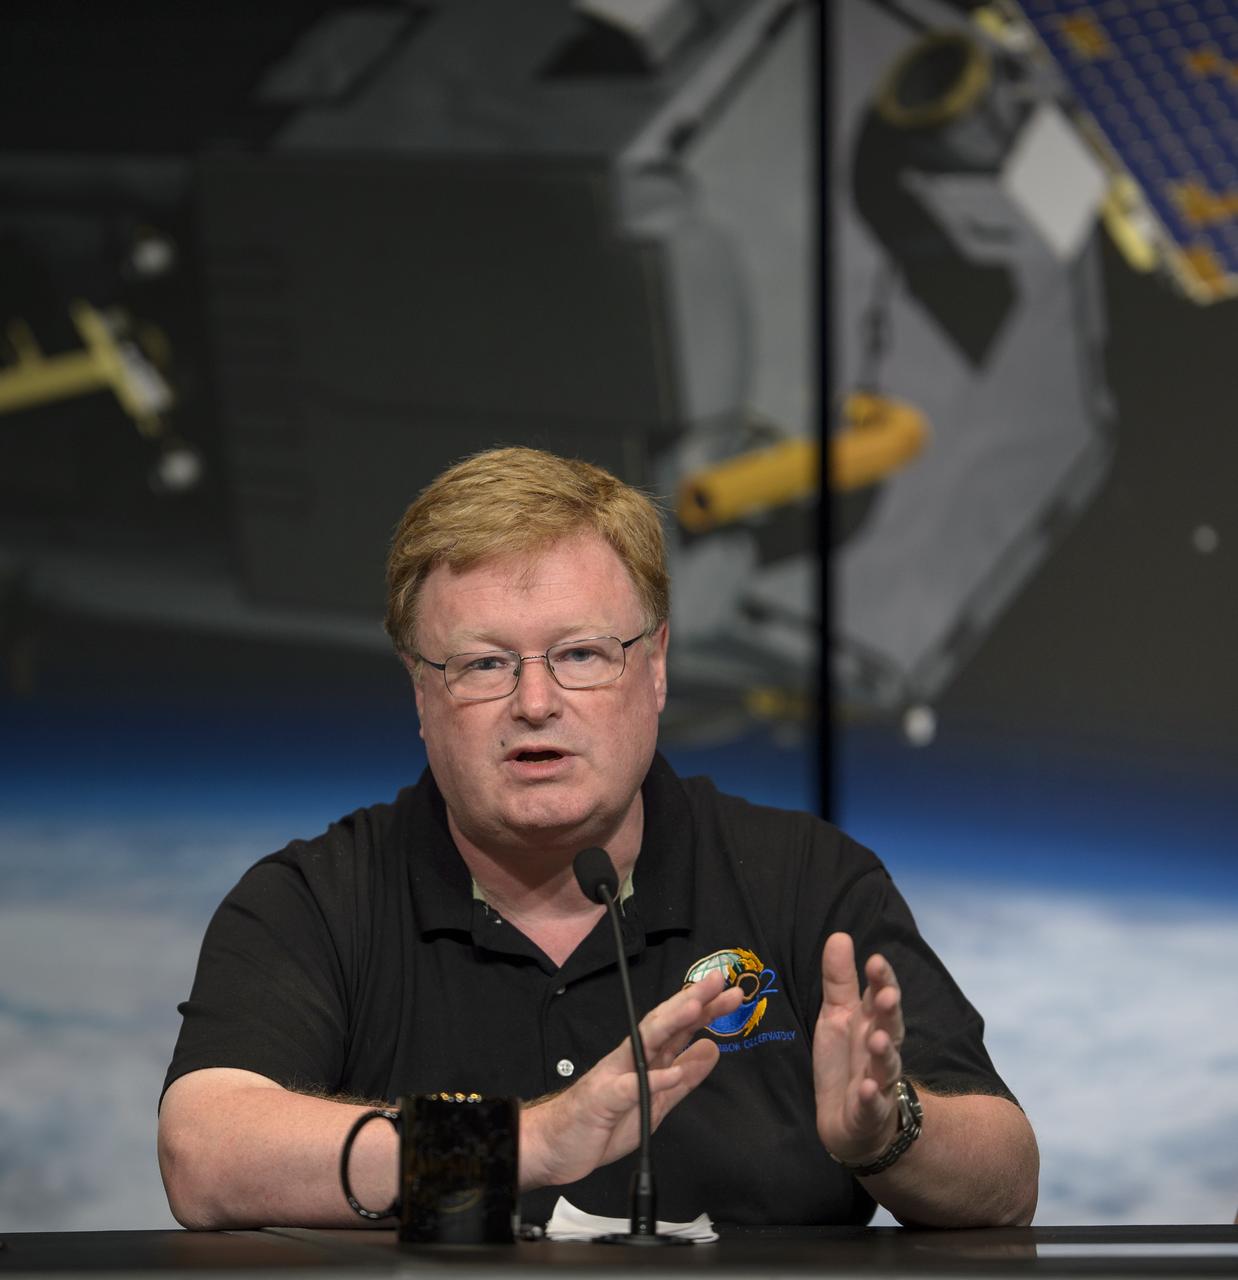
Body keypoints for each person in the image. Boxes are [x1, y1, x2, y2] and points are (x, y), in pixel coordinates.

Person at [158, 447, 1038, 1231]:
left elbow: (1007, 1177)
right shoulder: (316, 899)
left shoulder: (806, 880)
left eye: (580, 654)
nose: (534, 703)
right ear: (420, 695)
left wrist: (889, 1134)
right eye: (482, 664)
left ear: (655, 668)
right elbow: (205, 1154)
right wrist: (524, 1145)